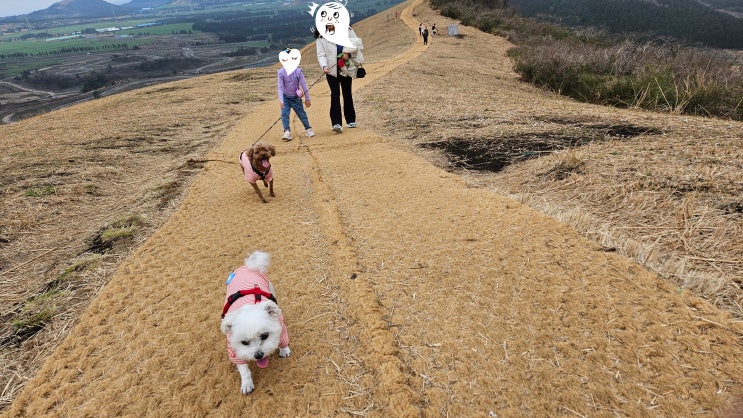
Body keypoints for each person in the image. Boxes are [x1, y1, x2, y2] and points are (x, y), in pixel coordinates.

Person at [315, 26, 363, 133]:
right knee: (335, 94)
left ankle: (351, 120)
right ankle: (336, 123)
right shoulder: (321, 36)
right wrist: (324, 66)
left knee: (347, 93)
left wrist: (348, 54)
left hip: (346, 68)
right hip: (331, 70)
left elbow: (356, 44)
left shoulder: (347, 29)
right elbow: (321, 54)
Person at [277, 49, 314, 141]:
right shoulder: (281, 72)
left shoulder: (298, 72)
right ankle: (287, 131)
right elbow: (280, 87)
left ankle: (308, 129)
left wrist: (307, 99)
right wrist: (281, 100)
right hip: (285, 97)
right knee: (284, 114)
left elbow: (304, 85)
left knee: (301, 113)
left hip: (296, 98)